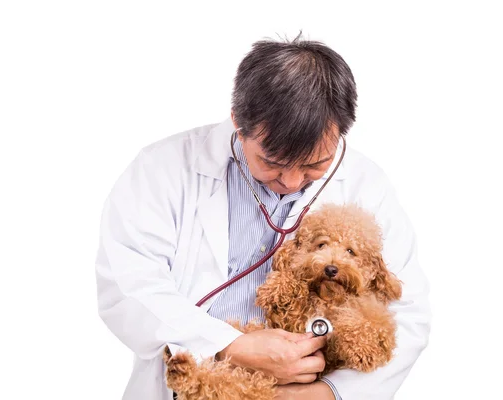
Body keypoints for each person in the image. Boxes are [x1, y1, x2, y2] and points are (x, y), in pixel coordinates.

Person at [95, 34, 431, 400]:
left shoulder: (367, 184)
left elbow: (407, 314)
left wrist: (322, 394)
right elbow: (127, 287)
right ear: (238, 120)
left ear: (341, 132)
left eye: (313, 164)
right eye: (272, 162)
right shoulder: (162, 169)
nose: (290, 181)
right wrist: (229, 344)